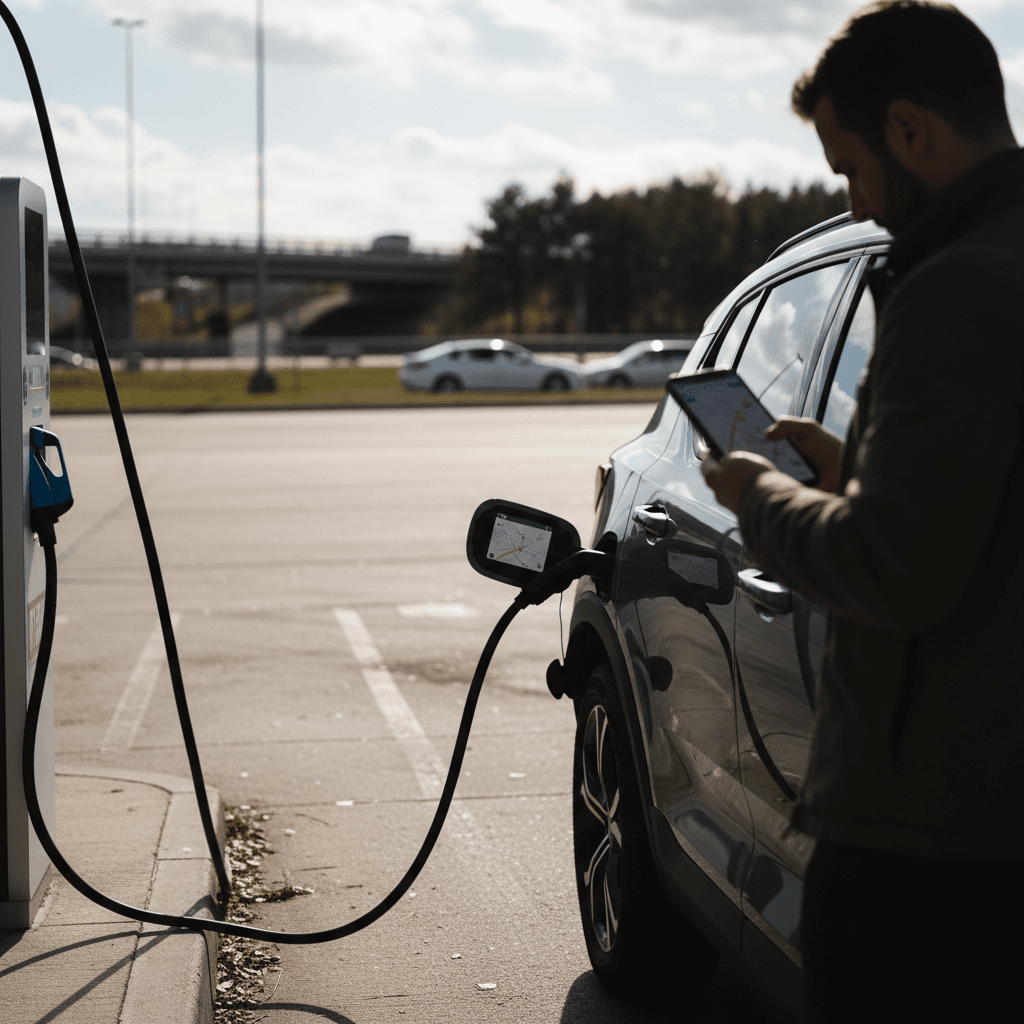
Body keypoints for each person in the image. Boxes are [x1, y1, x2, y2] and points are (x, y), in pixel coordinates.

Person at [698, 2, 1023, 1020]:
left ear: (910, 129)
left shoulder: (954, 288)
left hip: (936, 843)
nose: (858, 204)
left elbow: (892, 571)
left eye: (850, 167)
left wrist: (763, 496)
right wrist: (864, 473)